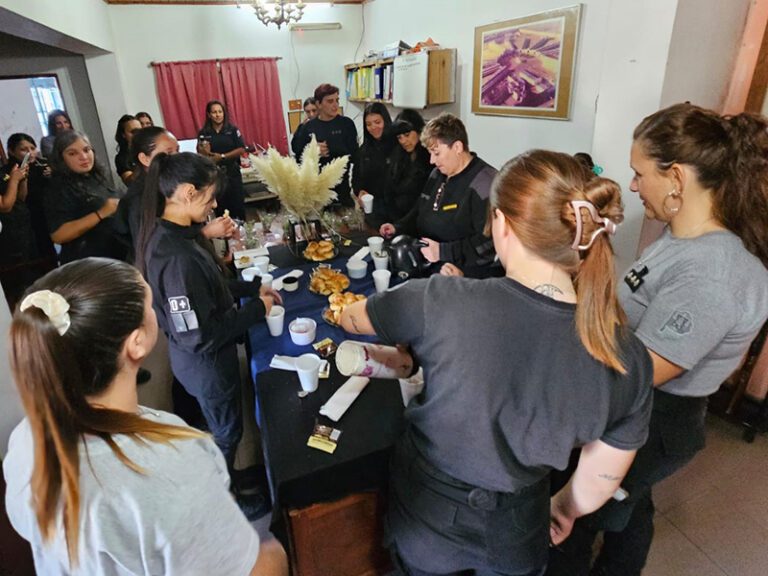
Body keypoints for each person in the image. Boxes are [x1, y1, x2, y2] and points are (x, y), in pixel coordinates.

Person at [340, 149, 653, 576]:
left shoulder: (440, 300)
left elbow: (357, 318)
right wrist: (561, 508)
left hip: (431, 518)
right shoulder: (627, 356)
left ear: (501, 224)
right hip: (518, 527)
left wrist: (344, 316)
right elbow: (601, 477)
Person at [547, 103, 768, 576]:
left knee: (578, 516)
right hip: (641, 405)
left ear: (677, 178)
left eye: (638, 172)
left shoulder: (711, 273)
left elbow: (641, 370)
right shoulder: (679, 239)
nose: (631, 185)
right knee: (631, 509)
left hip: (656, 418)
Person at [3, 257, 288, 575]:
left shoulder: (26, 437)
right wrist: (274, 550)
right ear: (136, 343)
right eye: (150, 305)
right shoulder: (172, 464)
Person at [136, 152, 281, 519]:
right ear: (186, 192)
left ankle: (225, 481)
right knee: (226, 432)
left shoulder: (172, 234)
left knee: (222, 425)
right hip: (206, 365)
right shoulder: (177, 258)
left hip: (197, 359)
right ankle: (224, 498)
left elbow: (210, 287)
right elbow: (199, 336)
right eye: (210, 196)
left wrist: (249, 288)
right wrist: (257, 310)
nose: (215, 205)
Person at [380, 113, 497, 277]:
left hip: (461, 273)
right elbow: (421, 209)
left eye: (436, 153)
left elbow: (488, 245)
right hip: (429, 262)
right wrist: (398, 227)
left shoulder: (485, 184)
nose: (431, 161)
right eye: (429, 153)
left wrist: (443, 252)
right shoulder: (438, 173)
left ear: (457, 147)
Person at [113, 126, 235, 260]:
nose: (177, 158)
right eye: (169, 153)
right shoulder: (138, 200)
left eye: (178, 150)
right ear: (145, 159)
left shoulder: (166, 186)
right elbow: (154, 252)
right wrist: (205, 233)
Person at [45, 130, 126, 264]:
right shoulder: (58, 188)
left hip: (115, 256)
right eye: (73, 153)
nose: (83, 156)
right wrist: (100, 214)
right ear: (61, 158)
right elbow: (58, 235)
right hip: (88, 263)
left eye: (86, 150)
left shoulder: (97, 177)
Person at [291, 83, 358, 207]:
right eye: (330, 101)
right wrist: (312, 152)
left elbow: (355, 156)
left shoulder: (346, 124)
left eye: (337, 100)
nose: (335, 105)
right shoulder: (308, 128)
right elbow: (298, 159)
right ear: (319, 104)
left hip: (342, 190)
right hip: (316, 192)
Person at [197, 100, 247, 220]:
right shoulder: (204, 132)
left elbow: (241, 149)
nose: (218, 115)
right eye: (214, 112)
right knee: (221, 207)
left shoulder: (232, 130)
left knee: (237, 206)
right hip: (215, 175)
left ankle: (241, 232)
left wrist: (223, 156)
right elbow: (200, 151)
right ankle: (224, 234)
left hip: (232, 173)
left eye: (220, 112)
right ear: (209, 114)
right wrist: (204, 151)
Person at [353, 102, 395, 227]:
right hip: (372, 211)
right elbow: (356, 179)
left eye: (377, 122)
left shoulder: (397, 146)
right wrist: (359, 192)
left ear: (385, 121)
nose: (373, 127)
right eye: (368, 124)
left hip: (397, 212)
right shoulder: (364, 150)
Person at [387, 108, 432, 222]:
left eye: (407, 135)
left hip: (422, 219)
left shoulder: (431, 157)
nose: (403, 141)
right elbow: (389, 190)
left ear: (419, 131)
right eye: (399, 137)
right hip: (397, 218)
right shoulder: (397, 154)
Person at [114, 114, 142, 184]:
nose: (138, 134)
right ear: (123, 134)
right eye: (133, 132)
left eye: (140, 131)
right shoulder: (121, 158)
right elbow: (129, 182)